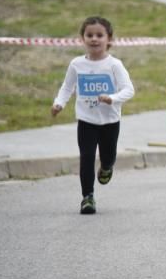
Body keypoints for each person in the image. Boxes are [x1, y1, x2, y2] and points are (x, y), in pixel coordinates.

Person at [51, 17, 136, 215]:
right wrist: (59, 103)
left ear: (109, 39)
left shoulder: (114, 65)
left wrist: (112, 98)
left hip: (110, 121)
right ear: (82, 38)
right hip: (86, 120)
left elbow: (129, 90)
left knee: (108, 156)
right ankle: (87, 197)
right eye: (89, 35)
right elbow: (67, 87)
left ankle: (107, 167)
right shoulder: (76, 64)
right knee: (87, 157)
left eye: (99, 35)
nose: (94, 39)